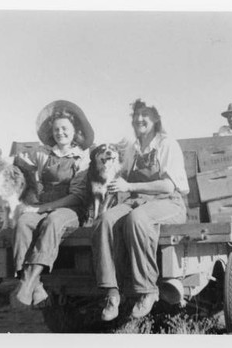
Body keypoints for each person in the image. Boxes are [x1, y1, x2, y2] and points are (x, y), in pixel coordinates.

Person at [91, 99, 189, 321]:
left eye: (146, 114)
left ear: (155, 119)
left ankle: (147, 289)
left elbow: (168, 185)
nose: (139, 119)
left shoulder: (167, 144)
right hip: (136, 200)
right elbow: (120, 176)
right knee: (104, 220)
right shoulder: (132, 149)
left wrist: (130, 186)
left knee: (136, 219)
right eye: (136, 115)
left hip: (167, 201)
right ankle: (112, 291)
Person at [9, 100, 94, 309]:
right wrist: (16, 162)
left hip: (70, 209)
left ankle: (27, 283)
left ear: (75, 131)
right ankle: (33, 284)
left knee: (53, 222)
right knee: (24, 222)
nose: (60, 132)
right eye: (56, 129)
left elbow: (77, 197)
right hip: (43, 205)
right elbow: (22, 166)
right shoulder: (43, 153)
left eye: (65, 128)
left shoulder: (82, 157)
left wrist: (43, 209)